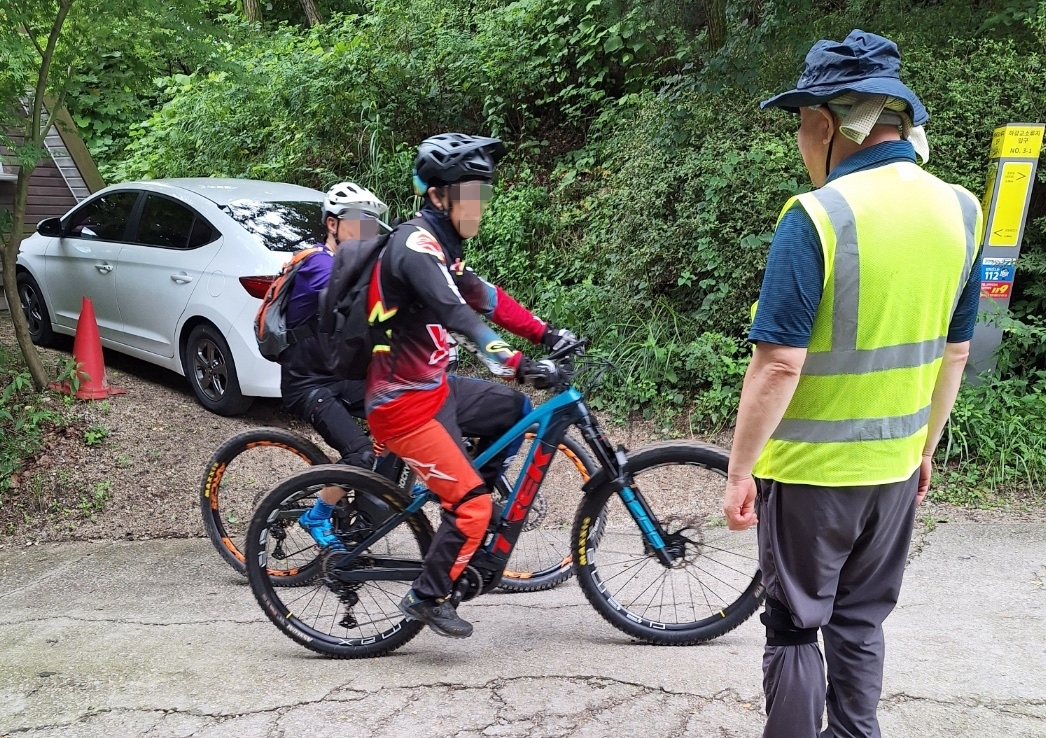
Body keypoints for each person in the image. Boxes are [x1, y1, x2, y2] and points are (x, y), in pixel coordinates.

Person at [722, 30, 982, 738]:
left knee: (796, 627)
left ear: (827, 124)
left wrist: (740, 468)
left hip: (809, 475)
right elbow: (956, 352)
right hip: (896, 468)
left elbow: (778, 363)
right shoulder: (961, 210)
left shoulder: (817, 217)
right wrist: (926, 447)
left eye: (803, 124)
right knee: (862, 620)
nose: (802, 142)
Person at [365, 133, 575, 639]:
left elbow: (487, 298)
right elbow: (459, 315)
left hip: (434, 388)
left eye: (484, 193)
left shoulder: (444, 245)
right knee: (474, 505)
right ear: (438, 195)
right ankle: (426, 594)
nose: (479, 205)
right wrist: (521, 361)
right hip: (401, 406)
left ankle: (464, 499)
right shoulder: (414, 247)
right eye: (470, 193)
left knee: (513, 409)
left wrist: (548, 333)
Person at [283, 182, 388, 548]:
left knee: (404, 403)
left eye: (373, 225)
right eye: (359, 223)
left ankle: (368, 505)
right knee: (358, 453)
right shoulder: (317, 264)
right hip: (308, 384)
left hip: (341, 377)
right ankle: (317, 516)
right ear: (332, 224)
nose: (367, 232)